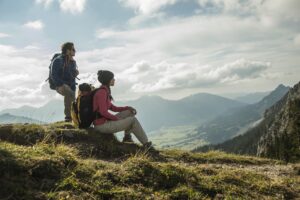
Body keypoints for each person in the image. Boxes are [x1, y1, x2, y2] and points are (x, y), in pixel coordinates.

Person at [93, 70, 153, 148]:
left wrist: (128, 108)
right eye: (112, 78)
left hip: (105, 121)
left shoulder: (105, 91)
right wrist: (116, 119)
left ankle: (127, 137)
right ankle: (146, 144)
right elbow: (103, 112)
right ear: (108, 80)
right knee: (133, 120)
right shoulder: (102, 93)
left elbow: (113, 108)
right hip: (101, 126)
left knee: (129, 112)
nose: (114, 80)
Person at [51, 42, 79, 122]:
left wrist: (75, 73)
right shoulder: (58, 60)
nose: (75, 51)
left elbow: (72, 77)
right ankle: (68, 117)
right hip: (59, 85)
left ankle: (74, 117)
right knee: (68, 92)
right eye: (73, 49)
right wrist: (62, 84)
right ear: (67, 50)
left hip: (71, 86)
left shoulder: (73, 62)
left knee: (73, 97)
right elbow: (54, 75)